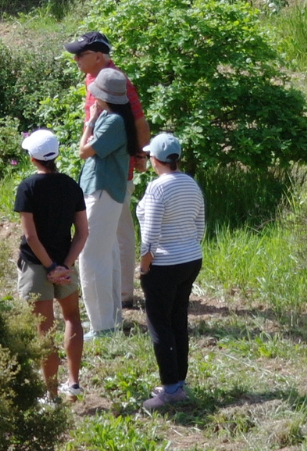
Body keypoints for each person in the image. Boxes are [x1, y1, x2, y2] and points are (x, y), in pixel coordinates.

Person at [65, 30, 149, 307]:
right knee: (108, 234)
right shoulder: (94, 77)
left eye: (80, 54)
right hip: (101, 163)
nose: (75, 58)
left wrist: (140, 156)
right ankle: (116, 293)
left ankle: (122, 295)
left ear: (99, 56)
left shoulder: (116, 80)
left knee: (118, 231)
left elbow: (137, 121)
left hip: (114, 169)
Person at [14, 128, 89, 402]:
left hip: (37, 267)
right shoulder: (72, 185)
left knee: (44, 330)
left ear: (33, 158)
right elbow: (82, 232)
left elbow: (30, 236)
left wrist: (48, 267)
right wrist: (64, 265)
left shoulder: (27, 187)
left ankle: (51, 394)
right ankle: (74, 383)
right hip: (65, 266)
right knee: (72, 319)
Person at [137, 132, 205, 412]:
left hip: (163, 264)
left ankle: (170, 389)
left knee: (160, 325)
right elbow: (200, 226)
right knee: (178, 320)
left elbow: (150, 233)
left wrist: (144, 264)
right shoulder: (191, 184)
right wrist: (187, 247)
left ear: (156, 159)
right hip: (190, 259)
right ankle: (179, 381)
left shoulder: (157, 188)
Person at [77, 67, 142, 338]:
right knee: (107, 256)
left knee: (91, 258)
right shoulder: (115, 118)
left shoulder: (112, 122)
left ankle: (102, 326)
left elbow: (83, 151)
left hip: (102, 194)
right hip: (104, 193)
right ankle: (110, 320)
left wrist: (90, 122)